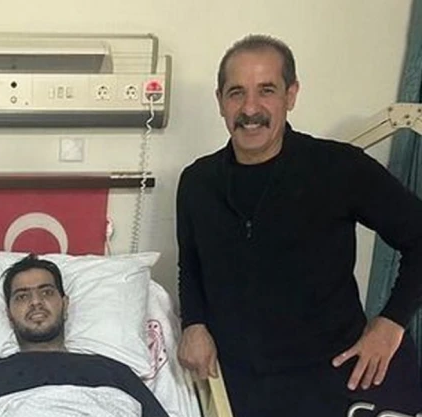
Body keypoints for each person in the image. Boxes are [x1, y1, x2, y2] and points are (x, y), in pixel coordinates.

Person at [175, 34, 422, 416]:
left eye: (267, 90)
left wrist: (392, 323)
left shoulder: (339, 168)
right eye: (237, 92)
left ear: (291, 95)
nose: (250, 108)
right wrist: (194, 324)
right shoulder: (197, 183)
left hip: (338, 373)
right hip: (245, 383)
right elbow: (191, 265)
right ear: (220, 100)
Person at [0, 254, 168, 417]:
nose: (36, 302)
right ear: (9, 314)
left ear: (65, 304)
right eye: (22, 296)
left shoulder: (115, 371)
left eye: (46, 292)